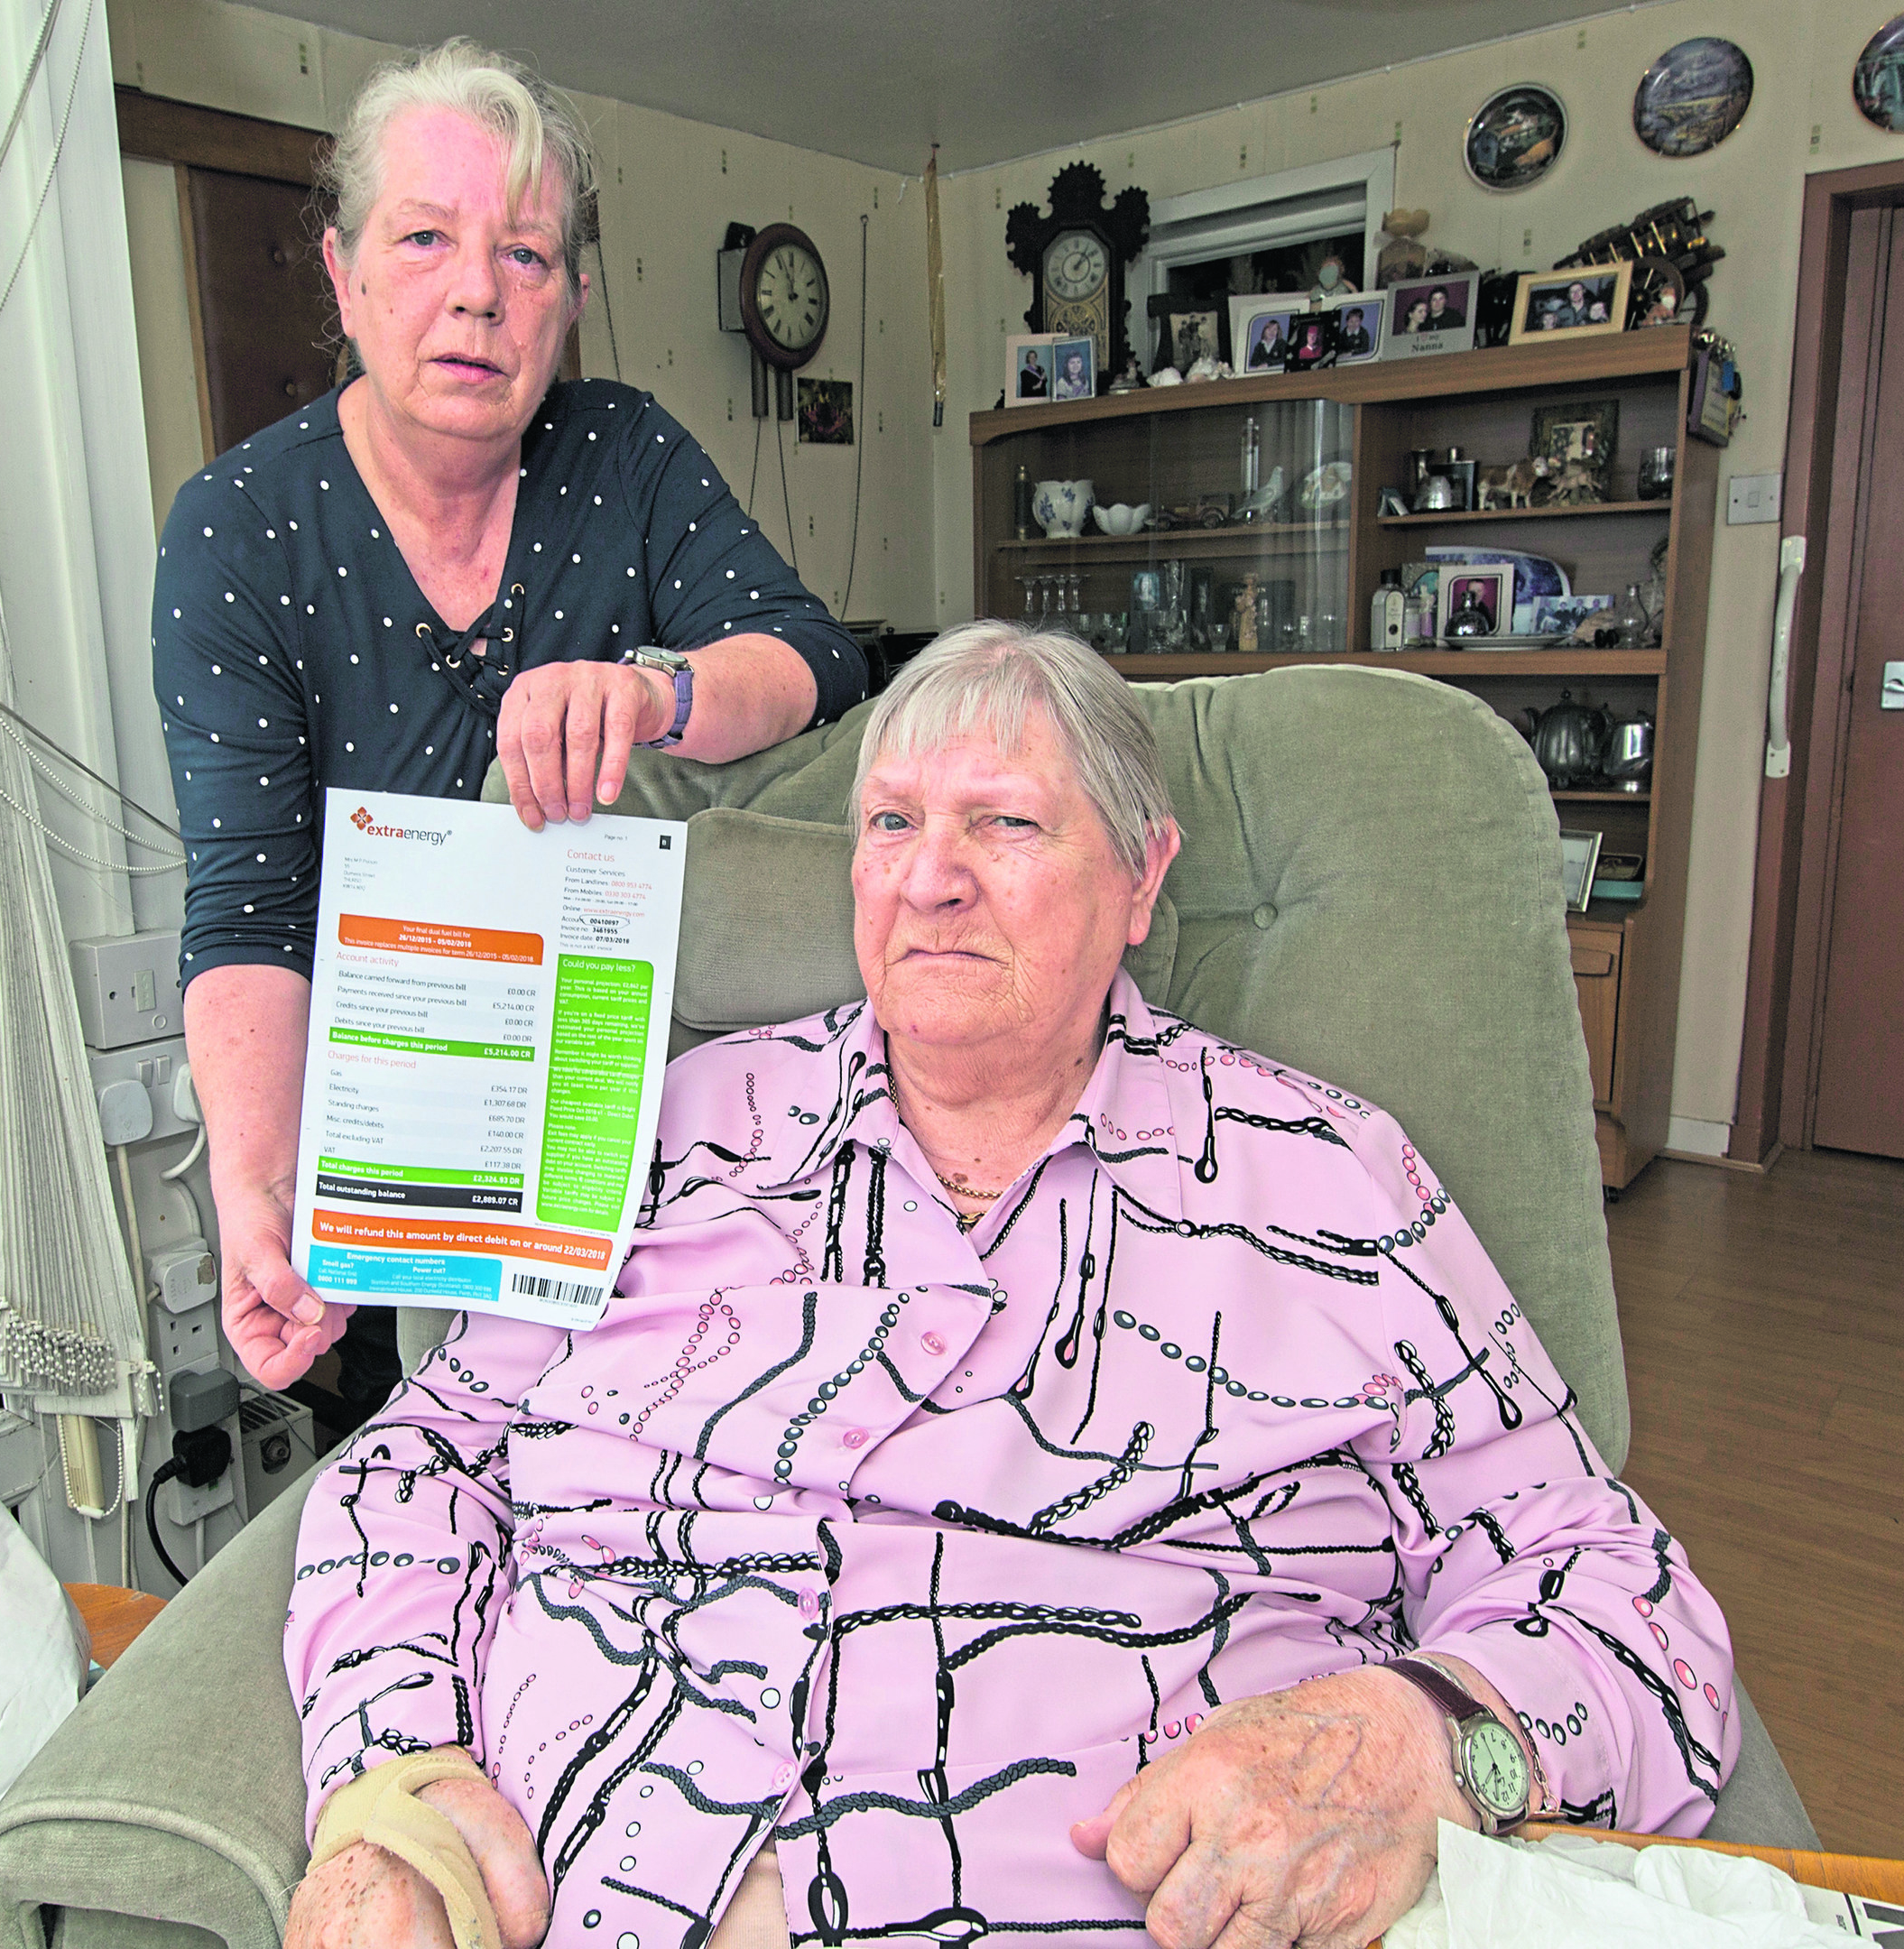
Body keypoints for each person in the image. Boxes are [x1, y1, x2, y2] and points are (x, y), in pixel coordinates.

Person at [279, 624, 1740, 1949]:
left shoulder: (1327, 1181)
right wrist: (390, 1781)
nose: (931, 876)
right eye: (894, 824)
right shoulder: (665, 1127)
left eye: (1007, 825)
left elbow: (1616, 1591)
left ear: (1142, 879)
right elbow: (424, 1463)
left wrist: (1422, 1749)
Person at [155, 41, 866, 1429]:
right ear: (344, 272)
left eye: (528, 255)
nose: (478, 291)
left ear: (573, 298)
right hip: (408, 1161)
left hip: (656, 1135)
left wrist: (658, 689)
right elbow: (247, 907)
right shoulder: (240, 529)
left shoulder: (628, 454)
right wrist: (257, 1190)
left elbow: (815, 659)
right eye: (425, 239)